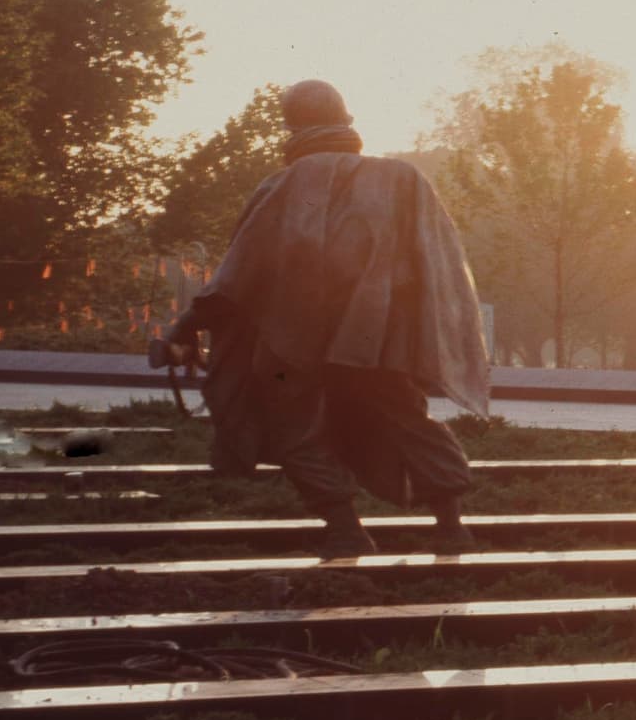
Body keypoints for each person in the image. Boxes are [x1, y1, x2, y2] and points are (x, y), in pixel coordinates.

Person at [155, 80, 489, 559]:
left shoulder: (284, 184)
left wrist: (182, 330)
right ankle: (452, 527)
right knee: (409, 419)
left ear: (293, 126)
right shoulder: (403, 179)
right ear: (345, 118)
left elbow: (238, 277)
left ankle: (345, 529)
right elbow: (433, 266)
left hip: (293, 342)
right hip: (375, 341)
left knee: (295, 427)